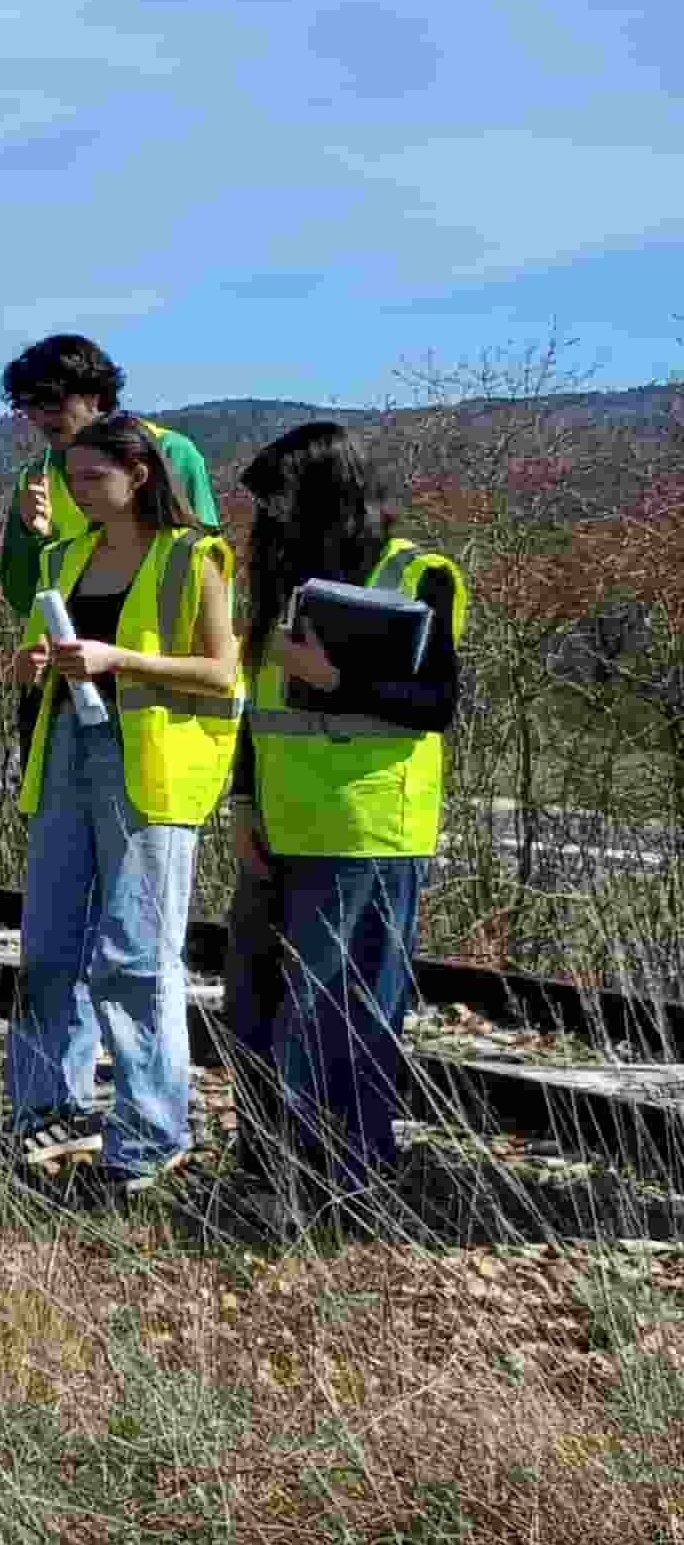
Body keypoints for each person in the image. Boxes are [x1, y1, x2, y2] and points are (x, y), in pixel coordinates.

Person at [226, 422, 468, 1226]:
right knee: (256, 1010)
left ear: (330, 495)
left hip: (366, 831)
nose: (268, 520)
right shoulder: (285, 582)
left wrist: (334, 682)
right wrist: (243, 804)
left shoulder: (418, 574)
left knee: (341, 1014)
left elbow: (434, 703)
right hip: (276, 830)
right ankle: (268, 1171)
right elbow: (258, 710)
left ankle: (343, 1183)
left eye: (280, 502)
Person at [9, 417, 241, 1196]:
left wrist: (119, 660)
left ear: (139, 475)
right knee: (49, 947)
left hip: (150, 768)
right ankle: (46, 1111)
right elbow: (46, 660)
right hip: (65, 753)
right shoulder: (63, 557)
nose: (77, 491)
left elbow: (222, 671)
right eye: (71, 478)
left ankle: (150, 1133)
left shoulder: (194, 555)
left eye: (92, 477)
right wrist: (36, 663)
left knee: (136, 957)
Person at [0, 334, 219, 624]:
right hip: (71, 651)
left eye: (51, 401)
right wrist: (30, 536)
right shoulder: (37, 477)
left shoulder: (170, 454)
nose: (40, 416)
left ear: (94, 396)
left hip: (161, 649)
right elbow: (23, 599)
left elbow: (207, 573)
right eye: (28, 404)